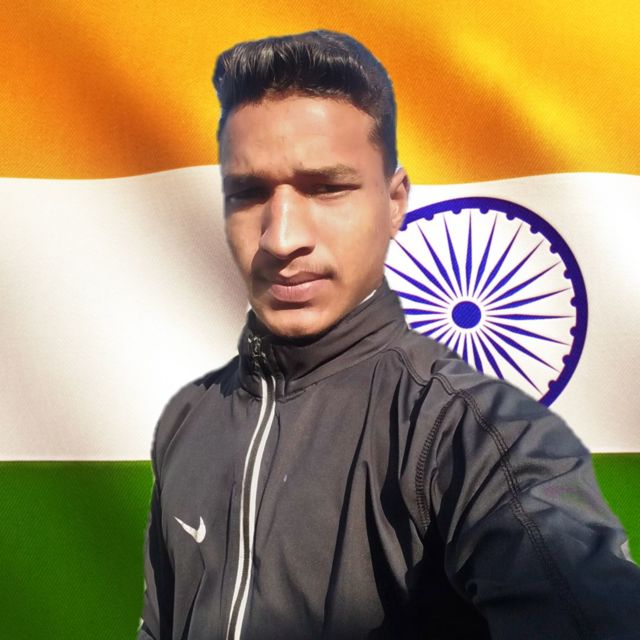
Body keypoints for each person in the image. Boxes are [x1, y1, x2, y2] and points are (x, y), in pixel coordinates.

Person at [137, 30, 640, 640]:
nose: (281, 238)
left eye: (327, 188)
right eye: (249, 193)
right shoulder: (188, 420)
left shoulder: (474, 431)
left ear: (395, 201)